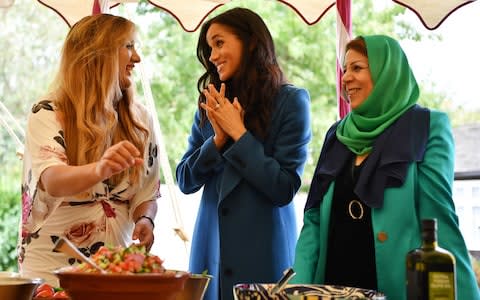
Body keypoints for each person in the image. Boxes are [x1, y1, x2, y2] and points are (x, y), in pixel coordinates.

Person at [293, 34, 480, 299]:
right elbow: (313, 223)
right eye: (345, 70)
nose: (345, 78)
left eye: (357, 68)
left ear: (387, 72)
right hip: (332, 287)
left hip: (394, 288)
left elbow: (438, 217)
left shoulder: (426, 127)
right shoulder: (337, 135)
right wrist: (294, 289)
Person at [175, 7, 311, 300]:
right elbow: (185, 180)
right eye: (210, 48)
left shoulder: (292, 102)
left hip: (265, 260)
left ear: (251, 42)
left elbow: (284, 188)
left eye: (219, 43)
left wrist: (239, 135)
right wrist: (217, 142)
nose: (212, 56)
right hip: (210, 256)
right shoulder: (211, 102)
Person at [18, 14, 160, 285]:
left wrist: (146, 219)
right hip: (54, 270)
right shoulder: (48, 112)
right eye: (128, 46)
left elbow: (147, 192)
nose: (137, 57)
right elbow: (52, 180)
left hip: (116, 268)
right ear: (97, 54)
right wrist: (100, 169)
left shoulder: (141, 119)